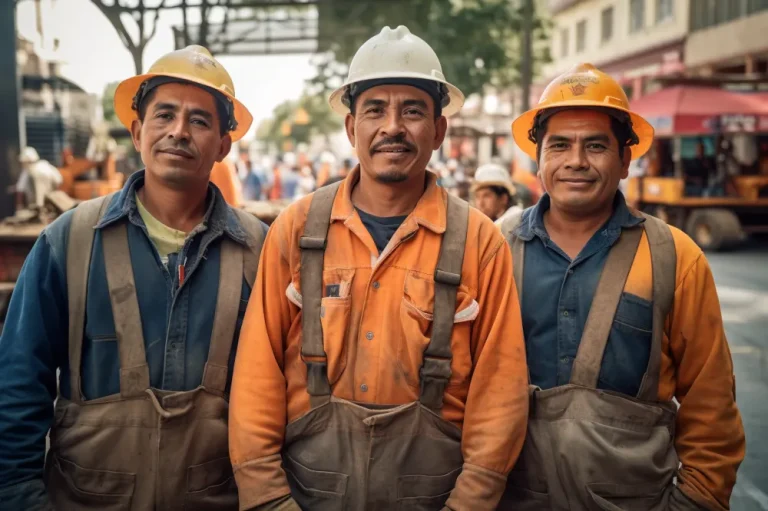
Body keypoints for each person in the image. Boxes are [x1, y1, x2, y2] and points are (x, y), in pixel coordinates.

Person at [229, 25, 529, 511]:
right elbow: (256, 377)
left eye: (413, 110)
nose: (393, 126)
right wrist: (267, 500)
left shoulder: (479, 243)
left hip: (436, 495)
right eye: (375, 110)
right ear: (351, 129)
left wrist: (469, 504)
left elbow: (501, 396)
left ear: (439, 130)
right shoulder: (298, 230)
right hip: (305, 494)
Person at [0, 45, 267, 510]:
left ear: (224, 144)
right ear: (138, 130)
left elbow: (280, 397)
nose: (179, 132)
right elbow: (19, 385)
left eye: (200, 121)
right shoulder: (70, 241)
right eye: (164, 115)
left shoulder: (259, 251)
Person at [499, 63, 745, 510]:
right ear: (539, 157)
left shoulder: (674, 257)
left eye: (596, 145)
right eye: (559, 145)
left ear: (625, 159)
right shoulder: (496, 247)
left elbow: (712, 406)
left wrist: (694, 502)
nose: (576, 160)